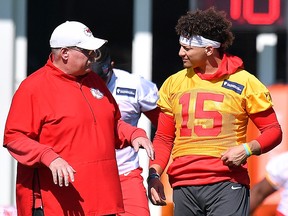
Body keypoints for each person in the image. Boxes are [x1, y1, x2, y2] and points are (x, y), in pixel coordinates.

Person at [3, 21, 155, 216]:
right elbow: (14, 137)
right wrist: (49, 157)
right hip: (59, 202)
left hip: (103, 200)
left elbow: (112, 123)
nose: (93, 56)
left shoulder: (94, 80)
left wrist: (133, 133)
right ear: (64, 53)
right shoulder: (34, 87)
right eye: (87, 51)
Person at [146, 7, 283, 216]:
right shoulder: (173, 83)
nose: (180, 53)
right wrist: (154, 175)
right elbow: (164, 138)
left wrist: (246, 149)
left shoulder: (245, 82)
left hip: (227, 183)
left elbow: (273, 131)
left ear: (209, 49)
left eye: (187, 48)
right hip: (183, 185)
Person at [91, 44, 160, 216]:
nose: (98, 83)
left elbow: (165, 130)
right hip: (87, 175)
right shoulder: (75, 85)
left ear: (111, 65)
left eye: (102, 78)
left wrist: (155, 173)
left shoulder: (134, 85)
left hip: (125, 173)